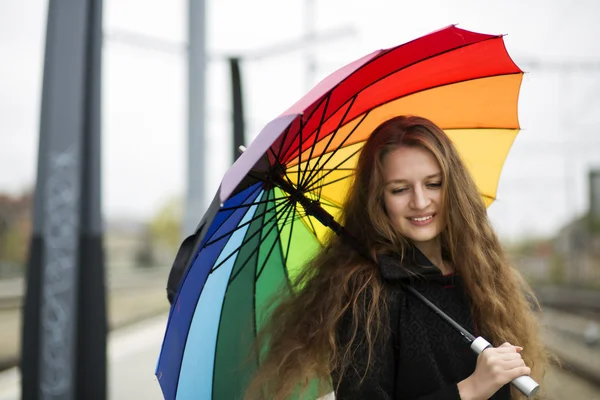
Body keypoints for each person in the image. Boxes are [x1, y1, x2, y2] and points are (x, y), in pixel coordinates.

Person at [245, 116, 548, 399]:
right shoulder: (366, 292)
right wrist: (470, 389)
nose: (420, 201)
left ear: (454, 187)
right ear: (378, 199)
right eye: (400, 189)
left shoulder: (479, 273)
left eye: (433, 184)